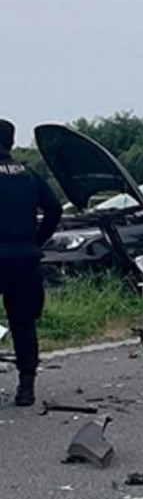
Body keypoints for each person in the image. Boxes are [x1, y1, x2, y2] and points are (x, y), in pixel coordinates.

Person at [0, 119, 62, 406]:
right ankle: (26, 387)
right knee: (23, 323)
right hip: (24, 261)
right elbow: (54, 208)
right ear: (11, 142)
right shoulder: (28, 175)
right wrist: (36, 240)